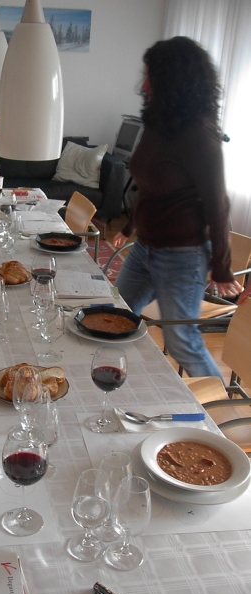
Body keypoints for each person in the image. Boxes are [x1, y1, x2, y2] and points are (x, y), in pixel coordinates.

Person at [113, 36, 242, 377]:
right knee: (117, 313)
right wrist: (129, 227)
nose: (143, 84)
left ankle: (214, 402)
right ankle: (116, 380)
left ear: (171, 80)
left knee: (182, 341)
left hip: (182, 255)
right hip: (146, 248)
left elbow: (218, 205)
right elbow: (149, 184)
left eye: (149, 76)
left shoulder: (199, 134)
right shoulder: (157, 124)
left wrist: (222, 267)